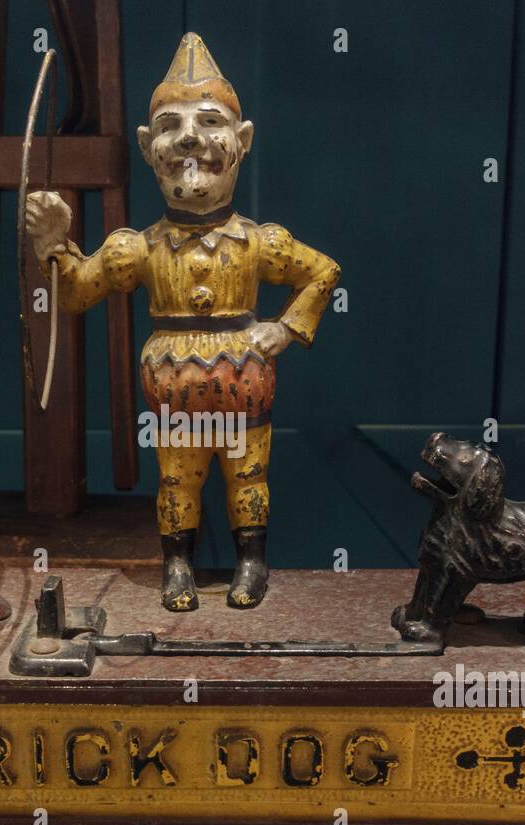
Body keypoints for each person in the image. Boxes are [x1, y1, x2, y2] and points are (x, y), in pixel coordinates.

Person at [26, 33, 339, 611]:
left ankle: (251, 562)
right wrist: (54, 246)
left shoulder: (259, 243)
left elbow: (322, 272)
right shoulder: (136, 249)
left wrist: (287, 328)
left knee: (248, 478)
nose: (190, 137)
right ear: (147, 148)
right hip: (173, 389)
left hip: (245, 382)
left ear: (241, 143)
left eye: (210, 122)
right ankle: (177, 566)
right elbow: (75, 293)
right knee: (177, 479)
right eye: (170, 126)